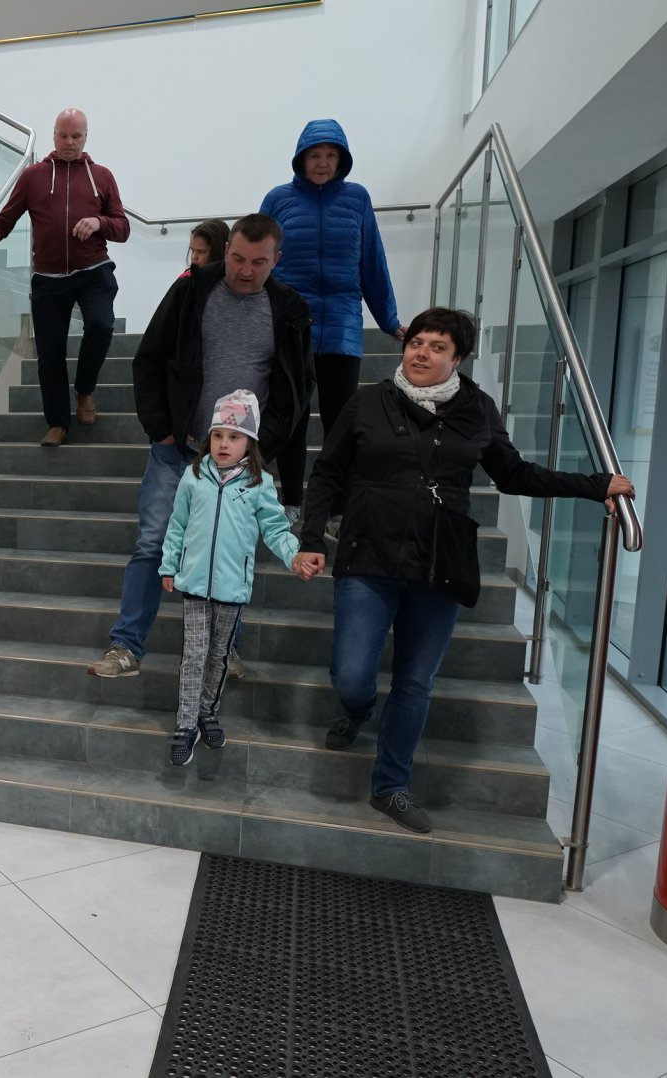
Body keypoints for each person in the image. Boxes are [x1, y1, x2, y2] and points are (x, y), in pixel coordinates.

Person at [296, 308, 634, 834]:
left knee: (415, 681)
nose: (422, 353)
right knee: (352, 673)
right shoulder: (368, 401)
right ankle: (357, 709)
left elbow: (514, 474)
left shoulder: (477, 409)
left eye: (437, 347)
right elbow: (327, 472)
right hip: (369, 553)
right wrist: (312, 538)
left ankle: (390, 786)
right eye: (417, 342)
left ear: (458, 358)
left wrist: (593, 486)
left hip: (441, 560)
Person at [88, 213, 312, 679]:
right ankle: (125, 647)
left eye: (258, 262)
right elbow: (149, 358)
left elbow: (295, 390)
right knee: (152, 545)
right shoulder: (192, 288)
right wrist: (160, 428)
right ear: (226, 250)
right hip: (177, 450)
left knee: (230, 552)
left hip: (239, 463)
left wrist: (262, 447)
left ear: (276, 259)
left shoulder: (289, 309)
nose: (245, 270)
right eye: (237, 258)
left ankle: (224, 651)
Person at [0, 108, 129, 447]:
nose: (69, 142)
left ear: (86, 137)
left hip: (94, 271)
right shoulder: (33, 177)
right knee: (50, 353)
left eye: (76, 136)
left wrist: (99, 222)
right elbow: (4, 220)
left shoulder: (102, 176)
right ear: (53, 135)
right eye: (63, 135)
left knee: (100, 325)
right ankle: (58, 423)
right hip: (48, 279)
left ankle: (85, 390)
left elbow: (122, 228)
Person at [260, 118, 405, 524]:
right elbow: (259, 259)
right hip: (291, 327)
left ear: (342, 160)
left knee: (341, 422)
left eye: (330, 155)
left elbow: (372, 261)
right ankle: (291, 500)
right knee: (292, 417)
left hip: (342, 326)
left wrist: (389, 319)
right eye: (315, 155)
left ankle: (338, 507)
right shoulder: (278, 199)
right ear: (300, 159)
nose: (322, 163)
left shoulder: (357, 198)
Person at [157, 390, 313, 765]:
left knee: (219, 655)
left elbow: (276, 530)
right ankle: (185, 725)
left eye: (234, 437)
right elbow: (177, 525)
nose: (224, 444)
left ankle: (207, 712)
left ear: (250, 443)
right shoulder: (194, 476)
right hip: (194, 584)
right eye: (218, 435)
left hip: (232, 588)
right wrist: (168, 564)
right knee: (193, 656)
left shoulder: (258, 484)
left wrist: (294, 556)